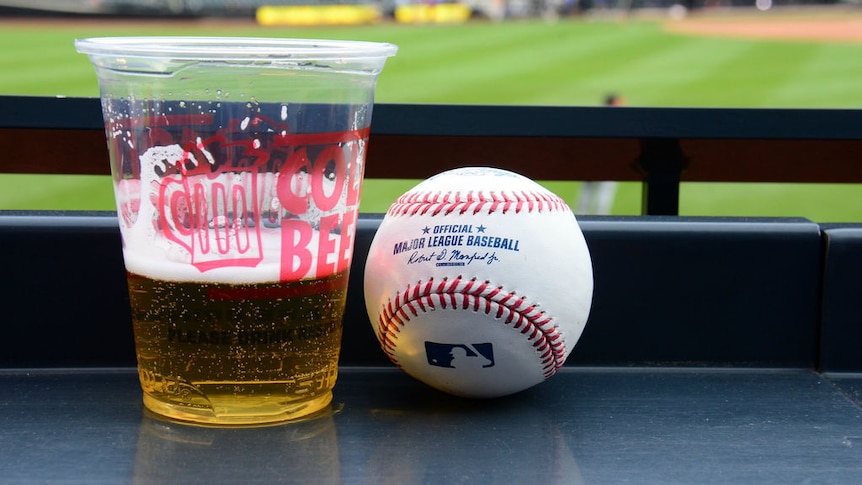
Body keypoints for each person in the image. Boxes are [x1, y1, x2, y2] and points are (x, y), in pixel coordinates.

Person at [577, 93, 624, 215]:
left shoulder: (594, 118)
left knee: (587, 195)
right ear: (613, 103)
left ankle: (581, 218)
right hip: (607, 162)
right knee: (604, 194)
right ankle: (601, 220)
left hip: (592, 161)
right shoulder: (619, 120)